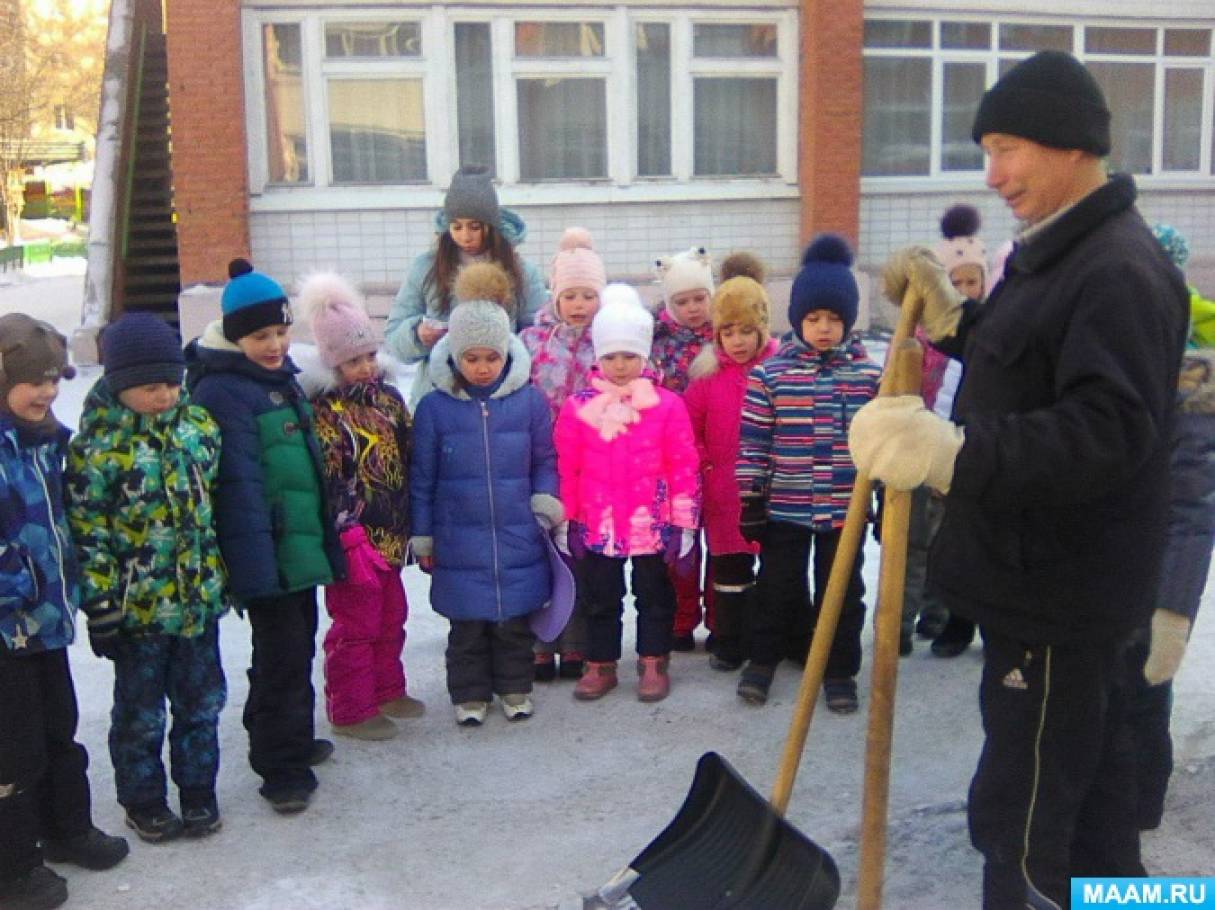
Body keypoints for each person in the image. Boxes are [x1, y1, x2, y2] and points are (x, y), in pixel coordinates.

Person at [849, 50, 1189, 907]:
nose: (993, 175)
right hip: (1056, 587)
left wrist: (948, 453)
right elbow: (1031, 362)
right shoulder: (1057, 252)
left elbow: (1104, 430)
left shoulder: (1115, 268)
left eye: (1007, 149)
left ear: (1069, 144)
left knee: (1024, 818)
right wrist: (952, 315)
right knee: (1097, 813)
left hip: (1058, 594)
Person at [186, 259, 345, 815]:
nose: (275, 344)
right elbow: (238, 488)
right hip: (267, 555)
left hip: (295, 548)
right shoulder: (224, 394)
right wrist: (253, 569)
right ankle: (280, 768)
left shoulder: (277, 380)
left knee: (296, 648)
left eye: (281, 332)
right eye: (261, 336)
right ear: (234, 336)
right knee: (278, 656)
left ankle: (291, 738)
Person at [66, 314, 227, 843]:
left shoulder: (198, 429)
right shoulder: (97, 450)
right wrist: (102, 607)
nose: (164, 396)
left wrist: (222, 576)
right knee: (140, 714)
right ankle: (144, 799)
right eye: (150, 387)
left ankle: (199, 790)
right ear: (118, 384)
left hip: (197, 603)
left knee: (201, 704)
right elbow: (89, 536)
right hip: (138, 614)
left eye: (171, 384)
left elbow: (214, 509)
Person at [0, 314, 129, 910]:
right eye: (33, 382)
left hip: (46, 622)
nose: (48, 392)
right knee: (11, 749)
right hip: (5, 630)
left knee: (60, 727)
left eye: (54, 380)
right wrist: (16, 583)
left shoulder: (50, 440)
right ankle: (13, 865)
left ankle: (66, 827)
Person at [735, 235, 881, 712]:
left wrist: (878, 496)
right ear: (797, 319)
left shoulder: (868, 378)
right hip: (785, 506)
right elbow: (755, 441)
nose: (823, 329)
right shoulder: (770, 376)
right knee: (778, 587)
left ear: (849, 321)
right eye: (814, 319)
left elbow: (880, 445)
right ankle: (763, 660)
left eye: (834, 319)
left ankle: (839, 670)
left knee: (842, 590)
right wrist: (751, 498)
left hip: (844, 507)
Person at [409, 301, 563, 727]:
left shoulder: (529, 403)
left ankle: (515, 688)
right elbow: (422, 478)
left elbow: (545, 460)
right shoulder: (434, 409)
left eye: (491, 358)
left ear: (507, 354)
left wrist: (545, 501)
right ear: (455, 357)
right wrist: (423, 535)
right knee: (467, 629)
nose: (481, 368)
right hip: (458, 538)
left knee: (514, 624)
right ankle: (470, 694)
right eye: (471, 358)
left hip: (517, 534)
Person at [554, 286, 700, 703]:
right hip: (598, 523)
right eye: (611, 357)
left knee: (654, 595)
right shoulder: (579, 407)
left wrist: (684, 524)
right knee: (602, 597)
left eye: (629, 356)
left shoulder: (667, 406)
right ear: (598, 358)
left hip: (652, 523)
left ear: (645, 357)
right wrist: (568, 519)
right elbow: (569, 466)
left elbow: (683, 465)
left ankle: (653, 659)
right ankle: (601, 663)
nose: (620, 366)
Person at [299, 272, 423, 743]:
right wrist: (345, 533)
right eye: (353, 361)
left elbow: (409, 454)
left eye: (370, 355)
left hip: (391, 532)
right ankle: (350, 707)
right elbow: (329, 478)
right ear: (333, 364)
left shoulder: (388, 400)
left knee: (393, 614)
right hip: (354, 541)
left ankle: (388, 688)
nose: (366, 367)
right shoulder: (326, 412)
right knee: (356, 624)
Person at [1126, 224, 1215, 830]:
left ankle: (1138, 812)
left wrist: (1174, 613)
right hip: (1097, 573)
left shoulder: (1193, 385)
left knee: (1144, 696)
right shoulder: (1113, 360)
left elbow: (1193, 506)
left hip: (1152, 579)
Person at [385, 165, 547, 409]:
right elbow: (394, 337)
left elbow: (539, 335)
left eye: (474, 226)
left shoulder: (522, 271)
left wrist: (503, 348)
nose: (465, 236)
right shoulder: (426, 268)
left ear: (490, 226)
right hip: (439, 397)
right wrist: (418, 334)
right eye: (456, 226)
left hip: (501, 397)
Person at [520, 227, 607, 683]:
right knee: (541, 549)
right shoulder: (534, 342)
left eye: (588, 295)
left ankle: (576, 642)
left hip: (592, 466)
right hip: (543, 462)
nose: (578, 305)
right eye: (570, 295)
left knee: (580, 553)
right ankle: (541, 641)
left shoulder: (608, 342)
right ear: (555, 296)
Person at [683, 273, 779, 671]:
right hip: (722, 492)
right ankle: (729, 638)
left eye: (746, 331)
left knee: (774, 571)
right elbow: (689, 429)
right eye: (728, 332)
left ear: (762, 330)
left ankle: (769, 638)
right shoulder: (706, 379)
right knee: (729, 571)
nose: (737, 341)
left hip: (771, 491)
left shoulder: (776, 372)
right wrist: (705, 463)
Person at [916, 203, 989, 658]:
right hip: (945, 447)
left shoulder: (997, 329)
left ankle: (977, 622)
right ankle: (949, 621)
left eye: (971, 282)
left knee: (985, 544)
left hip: (988, 447)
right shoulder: (933, 335)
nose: (963, 292)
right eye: (954, 283)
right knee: (947, 543)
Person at [651, 246, 716, 651]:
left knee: (722, 538)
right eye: (682, 301)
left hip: (719, 452)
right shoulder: (656, 342)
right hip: (673, 458)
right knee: (681, 540)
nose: (692, 308)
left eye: (699, 298)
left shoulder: (727, 336)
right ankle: (681, 615)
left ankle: (720, 614)